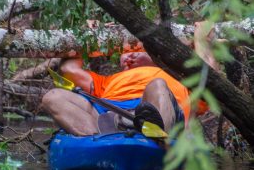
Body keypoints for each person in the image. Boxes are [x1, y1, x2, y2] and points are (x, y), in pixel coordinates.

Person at [42, 43, 191, 136]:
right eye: (127, 51)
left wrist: (153, 59)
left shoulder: (178, 75)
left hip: (156, 110)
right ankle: (101, 141)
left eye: (139, 50)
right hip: (109, 112)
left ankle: (157, 141)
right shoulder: (104, 81)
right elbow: (68, 68)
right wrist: (100, 39)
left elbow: (207, 71)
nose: (132, 54)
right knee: (53, 97)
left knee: (158, 84)